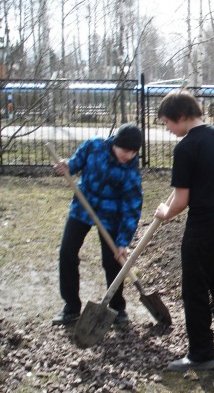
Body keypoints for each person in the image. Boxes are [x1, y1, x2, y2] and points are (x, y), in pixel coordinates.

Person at [154, 89, 214, 372]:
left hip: (204, 224)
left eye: (167, 123)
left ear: (182, 117)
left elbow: (181, 201)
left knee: (195, 288)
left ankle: (201, 355)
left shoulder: (186, 147)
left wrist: (164, 213)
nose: (168, 129)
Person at [51, 123, 143, 326]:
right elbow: (75, 164)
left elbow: (132, 207)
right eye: (125, 150)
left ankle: (117, 308)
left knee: (112, 261)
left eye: (133, 152)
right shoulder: (94, 147)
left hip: (111, 216)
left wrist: (123, 241)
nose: (128, 156)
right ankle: (71, 307)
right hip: (82, 209)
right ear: (115, 143)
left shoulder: (131, 171)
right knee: (67, 253)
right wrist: (67, 166)